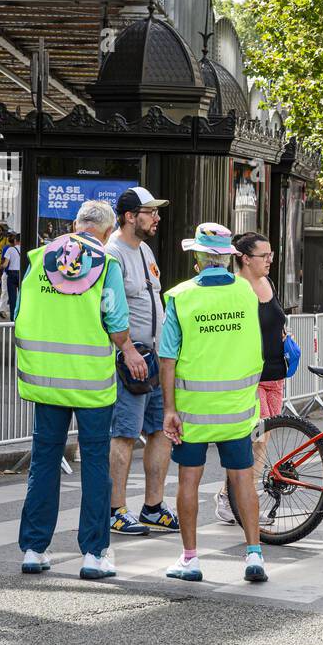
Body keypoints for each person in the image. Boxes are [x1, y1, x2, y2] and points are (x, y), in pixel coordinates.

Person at [16, 200, 146, 580]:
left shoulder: (40, 258)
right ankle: (94, 554)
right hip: (90, 381)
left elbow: (22, 309)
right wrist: (126, 348)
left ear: (76, 225)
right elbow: (118, 322)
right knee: (93, 463)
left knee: (43, 461)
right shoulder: (106, 263)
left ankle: (34, 548)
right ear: (107, 233)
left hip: (46, 379)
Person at [160, 223, 269, 584]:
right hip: (236, 409)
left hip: (193, 412)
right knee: (242, 480)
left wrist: (169, 410)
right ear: (228, 259)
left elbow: (168, 359)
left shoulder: (180, 297)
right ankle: (254, 554)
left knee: (188, 481)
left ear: (197, 259)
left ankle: (190, 558)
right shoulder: (246, 293)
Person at [104, 188, 177, 536]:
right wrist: (128, 350)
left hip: (156, 357)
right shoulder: (112, 254)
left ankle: (153, 505)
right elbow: (111, 309)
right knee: (124, 434)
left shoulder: (145, 249)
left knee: (160, 431)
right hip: (130, 358)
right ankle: (116, 508)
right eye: (150, 212)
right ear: (131, 216)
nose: (157, 218)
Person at [213, 231, 289, 525]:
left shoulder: (267, 283)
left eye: (271, 254)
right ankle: (237, 501)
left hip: (275, 374)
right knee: (254, 440)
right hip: (250, 376)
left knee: (263, 440)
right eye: (264, 256)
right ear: (245, 259)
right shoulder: (236, 289)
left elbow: (275, 320)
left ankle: (232, 497)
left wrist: (286, 335)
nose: (270, 260)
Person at [1, 232, 22, 318]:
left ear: (15, 240)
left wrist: (1, 266)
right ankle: (21, 316)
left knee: (12, 297)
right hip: (22, 274)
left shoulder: (10, 249)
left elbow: (5, 264)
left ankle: (13, 317)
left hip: (12, 274)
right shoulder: (27, 249)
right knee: (22, 296)